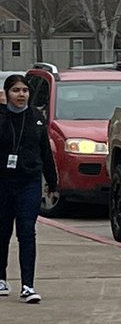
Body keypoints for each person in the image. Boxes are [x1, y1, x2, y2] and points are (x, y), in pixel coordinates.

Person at [0, 74, 59, 303]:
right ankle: (2, 278)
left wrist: (52, 183)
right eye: (16, 90)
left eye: (25, 90)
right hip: (3, 183)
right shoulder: (1, 117)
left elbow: (45, 151)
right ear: (7, 94)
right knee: (2, 232)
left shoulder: (36, 117)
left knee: (27, 232)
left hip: (29, 182)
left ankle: (28, 285)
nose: (21, 94)